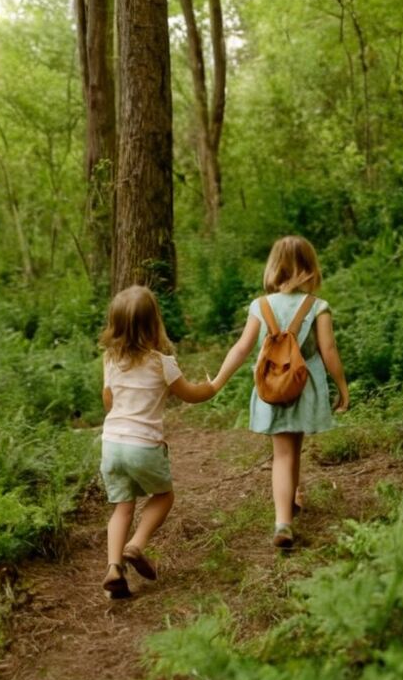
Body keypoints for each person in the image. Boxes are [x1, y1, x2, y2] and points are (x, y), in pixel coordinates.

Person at [213, 235, 350, 549]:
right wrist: (342, 387)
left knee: (286, 452)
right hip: (304, 388)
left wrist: (217, 381)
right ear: (310, 267)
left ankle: (288, 508)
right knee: (290, 449)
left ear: (274, 266)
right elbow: (328, 350)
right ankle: (283, 521)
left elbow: (242, 348)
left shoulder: (260, 306)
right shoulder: (317, 306)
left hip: (273, 386)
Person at [99, 284, 217, 598]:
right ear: (154, 324)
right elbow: (191, 395)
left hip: (111, 444)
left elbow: (108, 401)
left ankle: (114, 567)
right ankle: (136, 545)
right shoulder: (162, 362)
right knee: (164, 497)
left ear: (115, 326)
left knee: (122, 507)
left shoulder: (110, 360)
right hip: (143, 445)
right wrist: (212, 385)